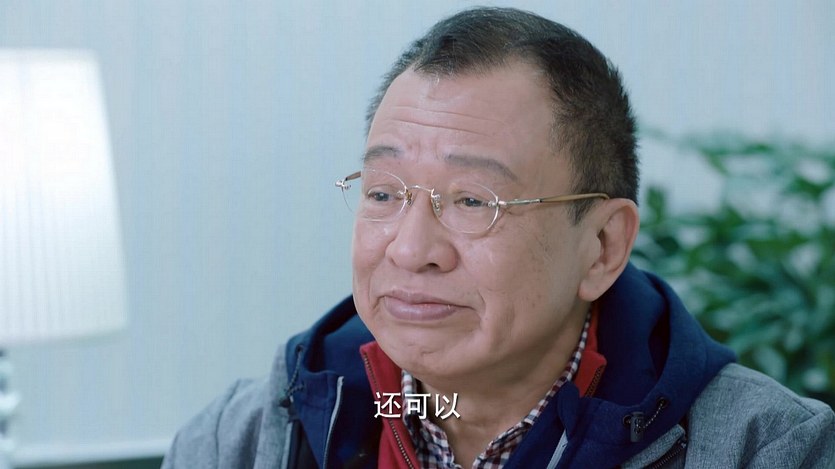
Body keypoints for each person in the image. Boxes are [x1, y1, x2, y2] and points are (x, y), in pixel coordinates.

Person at [162, 6, 835, 468]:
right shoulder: (239, 441)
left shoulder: (771, 449)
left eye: (472, 200)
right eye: (384, 193)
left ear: (602, 245)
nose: (410, 249)